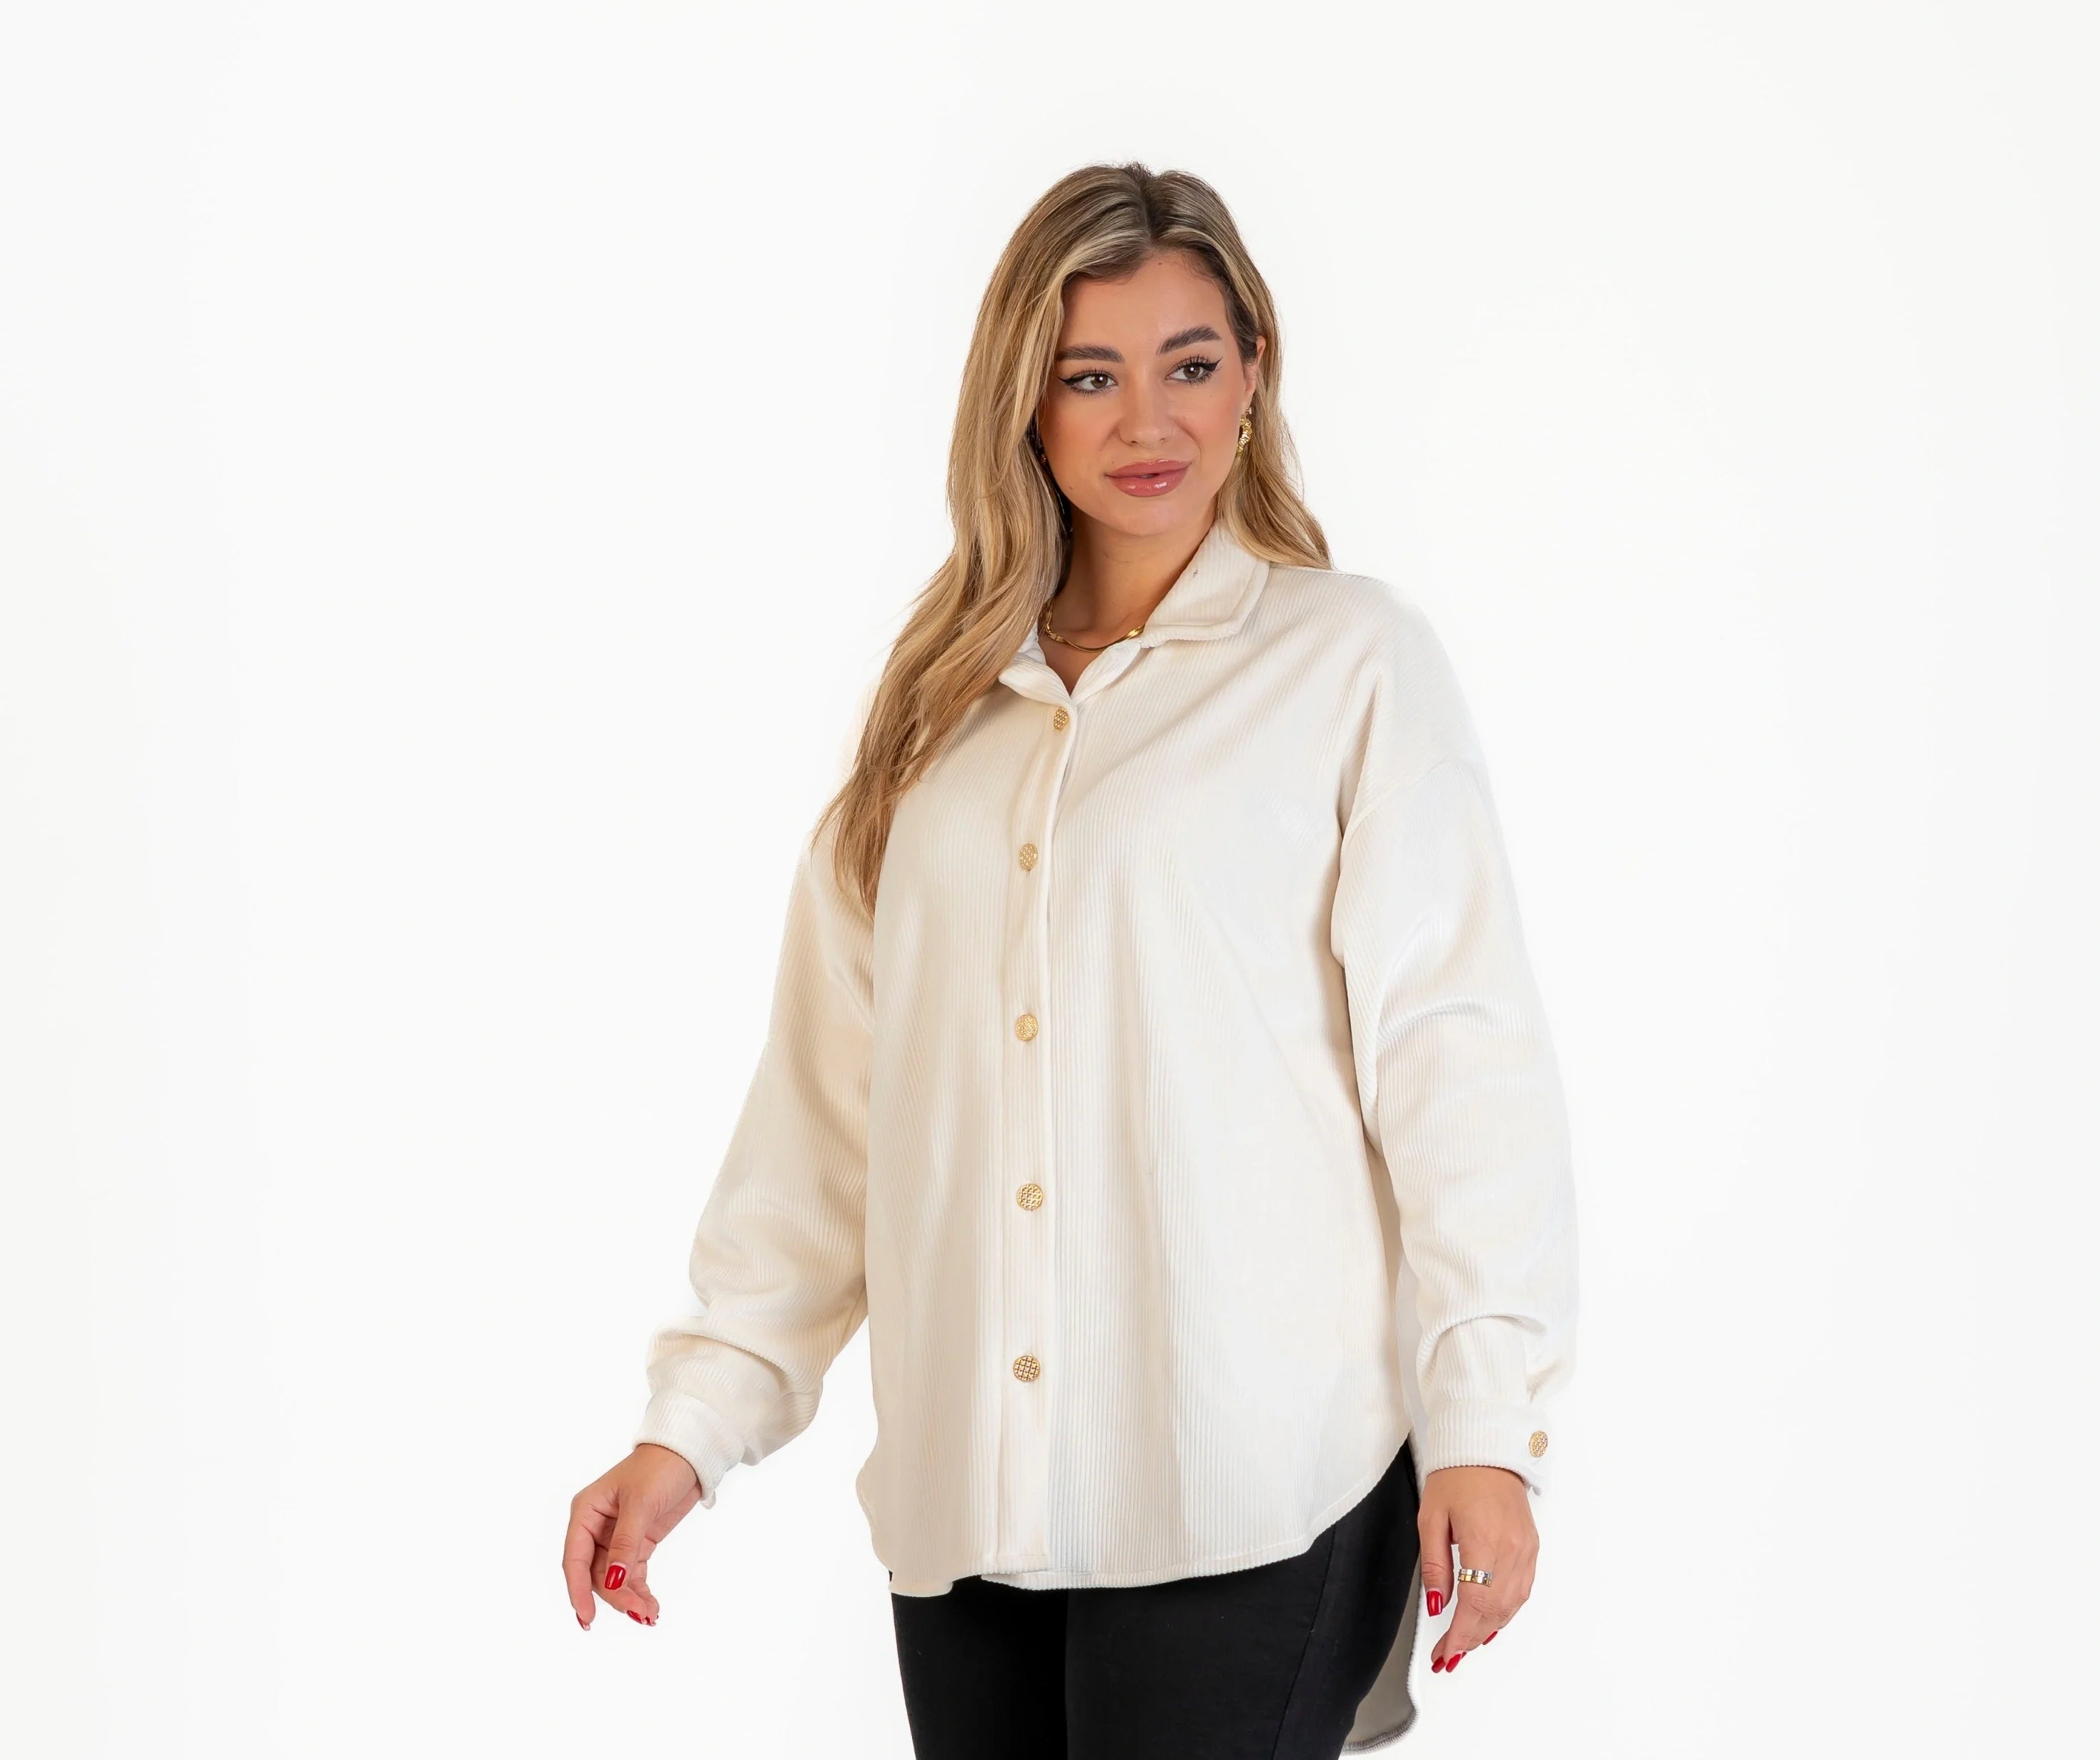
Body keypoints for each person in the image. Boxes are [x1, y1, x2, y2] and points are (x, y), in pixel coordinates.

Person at [561, 160, 1579, 1758]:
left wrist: (1484, 1428)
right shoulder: (931, 730)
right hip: (970, 1508)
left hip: (1248, 1481)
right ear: (1021, 404)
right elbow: (829, 1122)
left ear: (1253, 373)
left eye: (1189, 362)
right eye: (1088, 375)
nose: (1145, 419)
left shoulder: (1350, 665)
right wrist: (690, 1428)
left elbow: (1456, 1063)